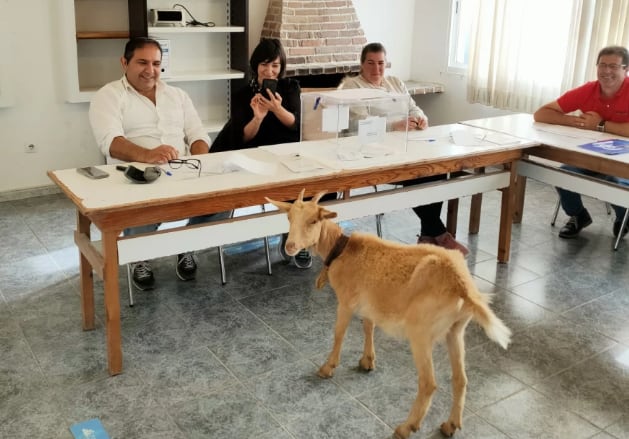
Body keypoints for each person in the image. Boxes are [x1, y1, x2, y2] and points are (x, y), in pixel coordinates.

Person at [89, 37, 231, 290]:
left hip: (183, 172)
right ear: (124, 63)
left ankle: (187, 246)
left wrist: (199, 159)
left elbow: (198, 134)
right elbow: (110, 142)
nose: (150, 70)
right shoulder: (109, 95)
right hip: (136, 178)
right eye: (142, 62)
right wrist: (147, 155)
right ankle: (139, 257)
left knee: (225, 200)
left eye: (156, 63)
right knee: (142, 209)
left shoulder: (177, 95)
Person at [339, 42, 469, 256]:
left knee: (434, 170)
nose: (376, 69)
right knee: (418, 174)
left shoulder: (395, 83)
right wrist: (393, 125)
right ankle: (440, 235)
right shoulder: (352, 86)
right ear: (362, 64)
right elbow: (357, 124)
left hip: (406, 146)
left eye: (381, 63)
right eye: (370, 63)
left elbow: (413, 107)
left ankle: (429, 236)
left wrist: (421, 118)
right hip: (372, 153)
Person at [210, 37, 323, 269]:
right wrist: (258, 118)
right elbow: (243, 138)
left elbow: (296, 124)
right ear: (255, 65)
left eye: (275, 65)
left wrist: (277, 108)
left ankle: (296, 237)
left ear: (281, 68)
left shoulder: (290, 87)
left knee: (309, 187)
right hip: (255, 154)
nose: (270, 71)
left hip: (286, 151)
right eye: (264, 64)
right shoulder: (243, 94)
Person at [534, 45, 629, 239]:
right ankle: (578, 216)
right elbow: (541, 113)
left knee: (615, 181)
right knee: (563, 174)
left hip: (623, 161)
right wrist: (576, 121)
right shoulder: (588, 90)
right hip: (590, 155)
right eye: (602, 65)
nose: (607, 71)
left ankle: (623, 218)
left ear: (625, 69)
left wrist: (600, 125)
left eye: (614, 66)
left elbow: (600, 126)